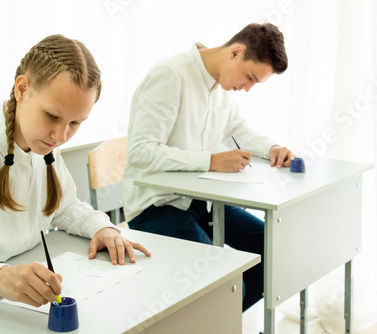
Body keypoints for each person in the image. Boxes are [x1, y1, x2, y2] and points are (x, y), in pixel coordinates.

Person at [0, 34, 151, 308]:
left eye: (75, 123)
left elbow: (63, 207)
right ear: (22, 90)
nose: (61, 135)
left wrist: (102, 228)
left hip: (11, 307)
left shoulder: (45, 145)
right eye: (52, 116)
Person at [122, 23, 294, 311]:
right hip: (156, 206)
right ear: (236, 52)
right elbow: (141, 152)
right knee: (225, 285)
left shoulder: (222, 87)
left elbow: (240, 129)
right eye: (250, 77)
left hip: (201, 202)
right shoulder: (171, 75)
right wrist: (211, 161)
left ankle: (218, 322)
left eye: (255, 83)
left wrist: (272, 148)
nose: (248, 89)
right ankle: (214, 318)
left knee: (275, 253)